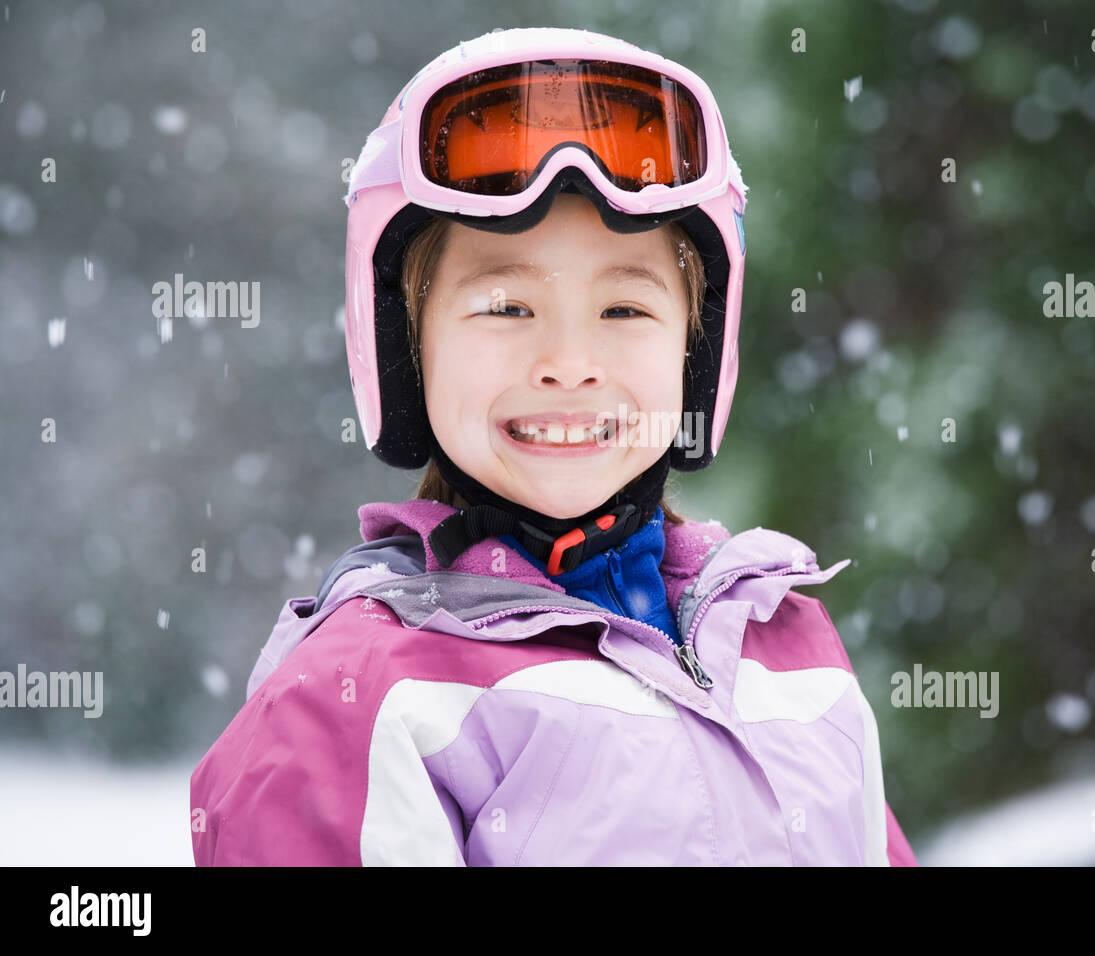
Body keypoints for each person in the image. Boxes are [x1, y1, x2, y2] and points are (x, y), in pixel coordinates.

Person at [190, 26, 918, 866]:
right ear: (404, 347)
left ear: (696, 347)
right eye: (505, 306)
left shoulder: (787, 643)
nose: (569, 366)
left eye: (625, 310)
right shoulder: (357, 699)